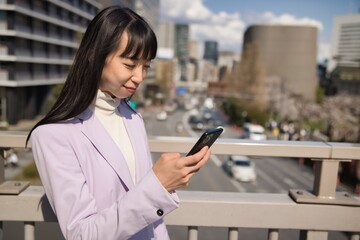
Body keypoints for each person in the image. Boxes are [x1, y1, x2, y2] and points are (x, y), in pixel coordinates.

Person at [26, 6, 211, 240]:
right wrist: (158, 184)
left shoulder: (132, 117)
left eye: (146, 66)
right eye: (130, 64)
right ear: (95, 55)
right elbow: (83, 234)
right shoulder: (53, 135)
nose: (140, 77)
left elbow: (154, 221)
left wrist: (160, 184)